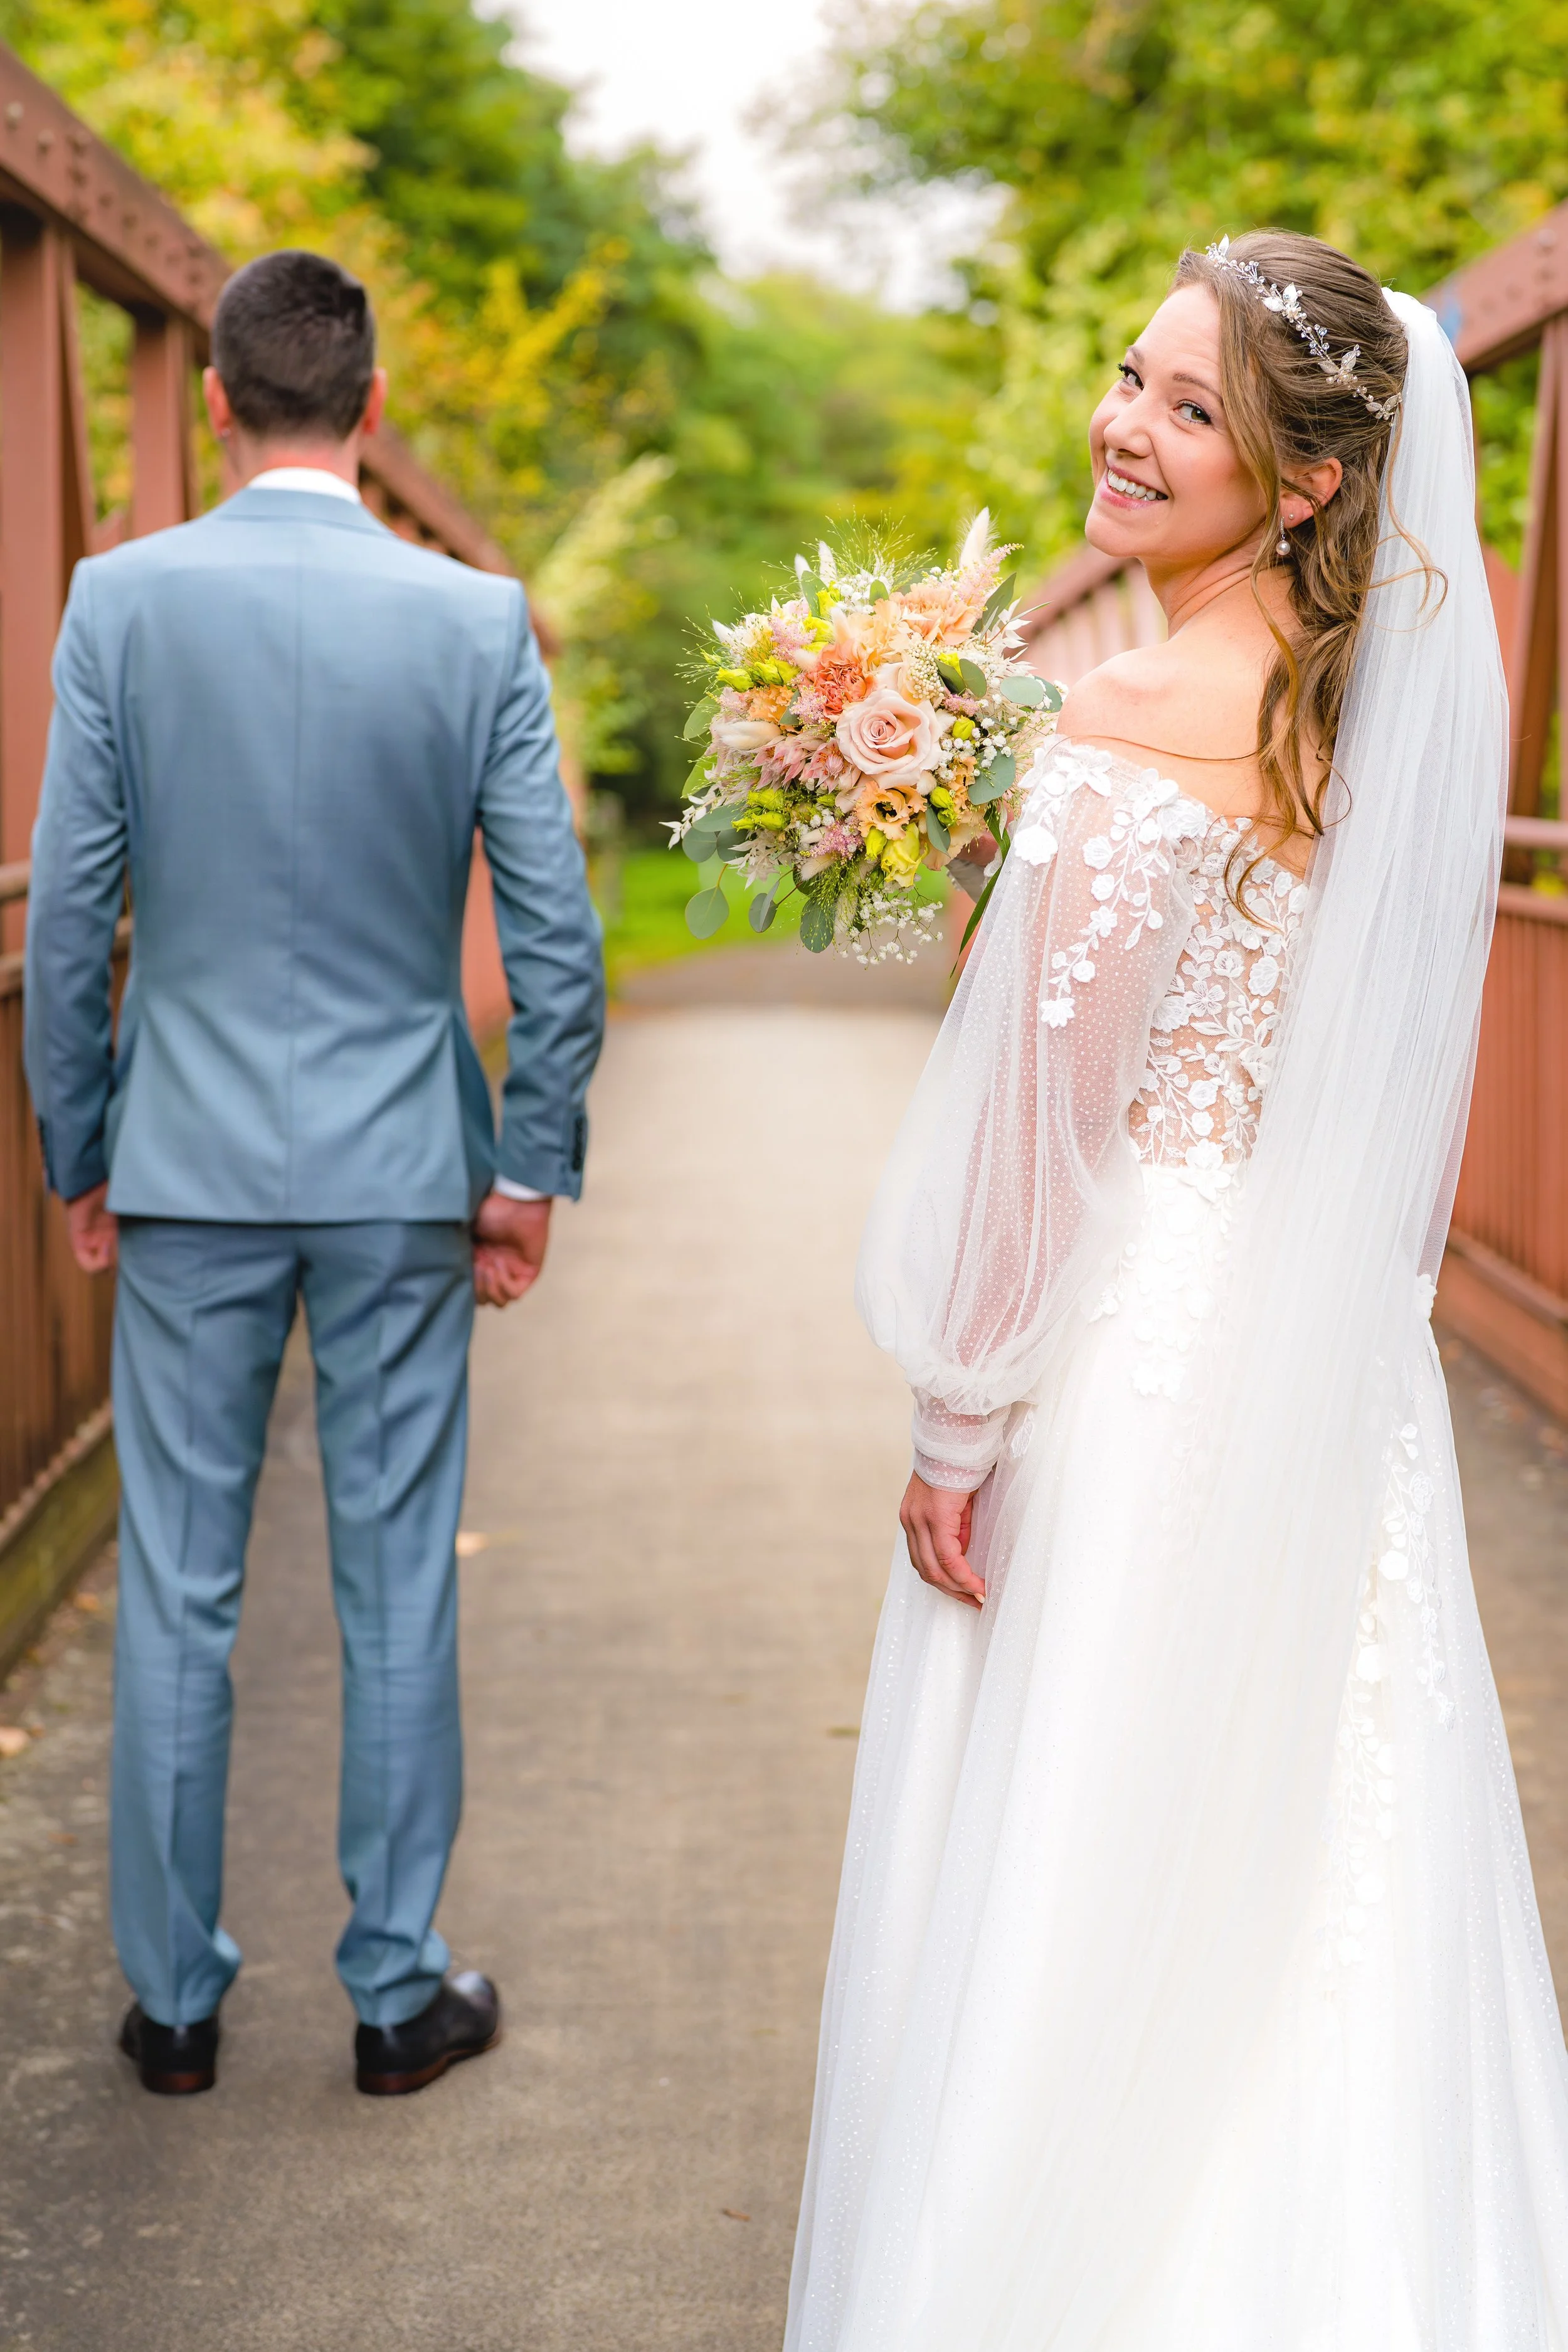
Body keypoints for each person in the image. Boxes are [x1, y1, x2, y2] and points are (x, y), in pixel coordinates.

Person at [785, 233, 1568, 2346]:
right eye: (1129, 379)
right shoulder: (1350, 721)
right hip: (1309, 1352)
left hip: (1129, 1357)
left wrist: (962, 1420)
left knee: (1074, 1834)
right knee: (1322, 1836)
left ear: (1304, 480)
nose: (1125, 428)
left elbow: (1046, 1126)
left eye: (1188, 409)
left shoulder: (1131, 711)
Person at [23, 250, 605, 2098]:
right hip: (395, 1174)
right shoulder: (471, 620)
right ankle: (393, 1990)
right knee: (392, 1573)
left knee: (182, 1578)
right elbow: (556, 933)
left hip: (183, 1163)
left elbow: (71, 908)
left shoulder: (119, 600)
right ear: (371, 409)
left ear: (212, 403)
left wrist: (81, 1149)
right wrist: (524, 1168)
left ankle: (178, 2004)